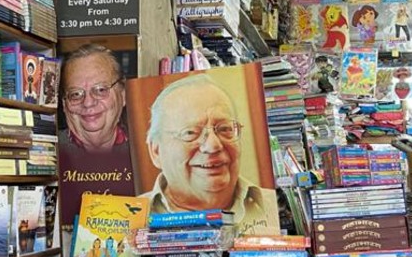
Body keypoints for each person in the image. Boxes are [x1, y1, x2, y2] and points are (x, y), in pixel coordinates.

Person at [140, 74, 280, 235]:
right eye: (190, 132)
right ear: (156, 151)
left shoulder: (279, 206)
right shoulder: (127, 218)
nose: (213, 145)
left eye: (225, 129)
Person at [59, 44, 127, 154]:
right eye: (76, 94)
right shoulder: (48, 153)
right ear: (64, 104)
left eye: (100, 90)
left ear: (123, 95)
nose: (88, 103)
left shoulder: (145, 151)